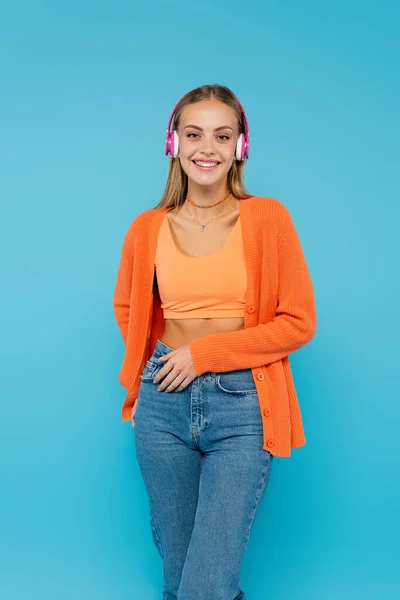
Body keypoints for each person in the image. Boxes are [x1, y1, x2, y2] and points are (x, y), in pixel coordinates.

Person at [113, 83, 317, 600]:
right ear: (173, 142)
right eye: (194, 133)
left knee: (205, 586)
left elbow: (297, 322)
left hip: (243, 404)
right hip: (163, 406)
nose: (207, 148)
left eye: (222, 136)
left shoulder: (268, 218)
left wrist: (201, 355)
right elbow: (129, 311)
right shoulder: (146, 228)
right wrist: (148, 376)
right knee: (180, 580)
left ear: (240, 147)